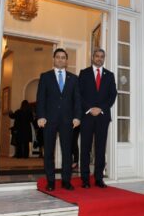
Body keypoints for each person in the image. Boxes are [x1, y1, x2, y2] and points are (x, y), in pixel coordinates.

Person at [36, 48, 81, 191]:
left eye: (63, 57)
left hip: (68, 120)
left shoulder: (73, 78)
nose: (60, 59)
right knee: (48, 151)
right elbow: (40, 98)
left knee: (67, 151)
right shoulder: (45, 76)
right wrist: (41, 116)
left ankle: (66, 181)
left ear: (66, 61)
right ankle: (50, 181)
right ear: (54, 59)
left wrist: (77, 116)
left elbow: (77, 100)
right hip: (49, 120)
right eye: (58, 57)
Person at [79, 48, 117, 189]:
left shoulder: (110, 75)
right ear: (92, 57)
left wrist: (100, 108)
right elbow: (79, 94)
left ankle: (99, 178)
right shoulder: (84, 73)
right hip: (87, 116)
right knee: (85, 147)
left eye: (102, 56)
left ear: (104, 58)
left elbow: (112, 95)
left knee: (100, 148)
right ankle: (85, 179)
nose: (99, 58)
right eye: (97, 56)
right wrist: (90, 108)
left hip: (102, 116)